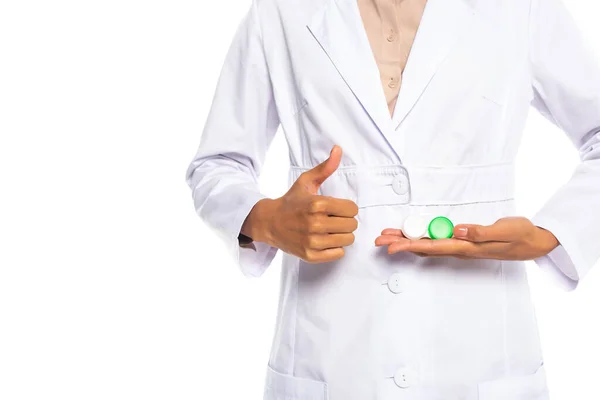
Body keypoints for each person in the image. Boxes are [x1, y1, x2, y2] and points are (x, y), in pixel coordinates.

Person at [185, 0, 600, 398]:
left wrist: (552, 233)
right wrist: (266, 219)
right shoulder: (280, 10)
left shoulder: (522, 7)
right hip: (333, 356)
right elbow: (216, 163)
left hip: (479, 350)